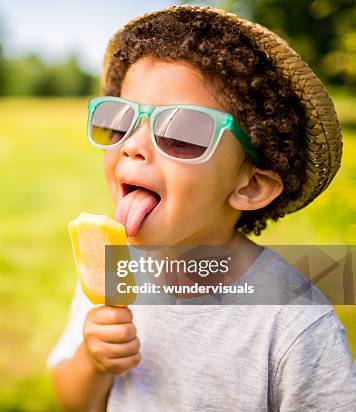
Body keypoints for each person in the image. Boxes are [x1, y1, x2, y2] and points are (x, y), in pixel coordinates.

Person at [47, 5, 356, 411]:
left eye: (181, 131)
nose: (133, 146)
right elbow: (74, 402)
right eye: (120, 120)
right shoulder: (109, 271)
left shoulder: (292, 321)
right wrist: (93, 361)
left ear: (251, 186)